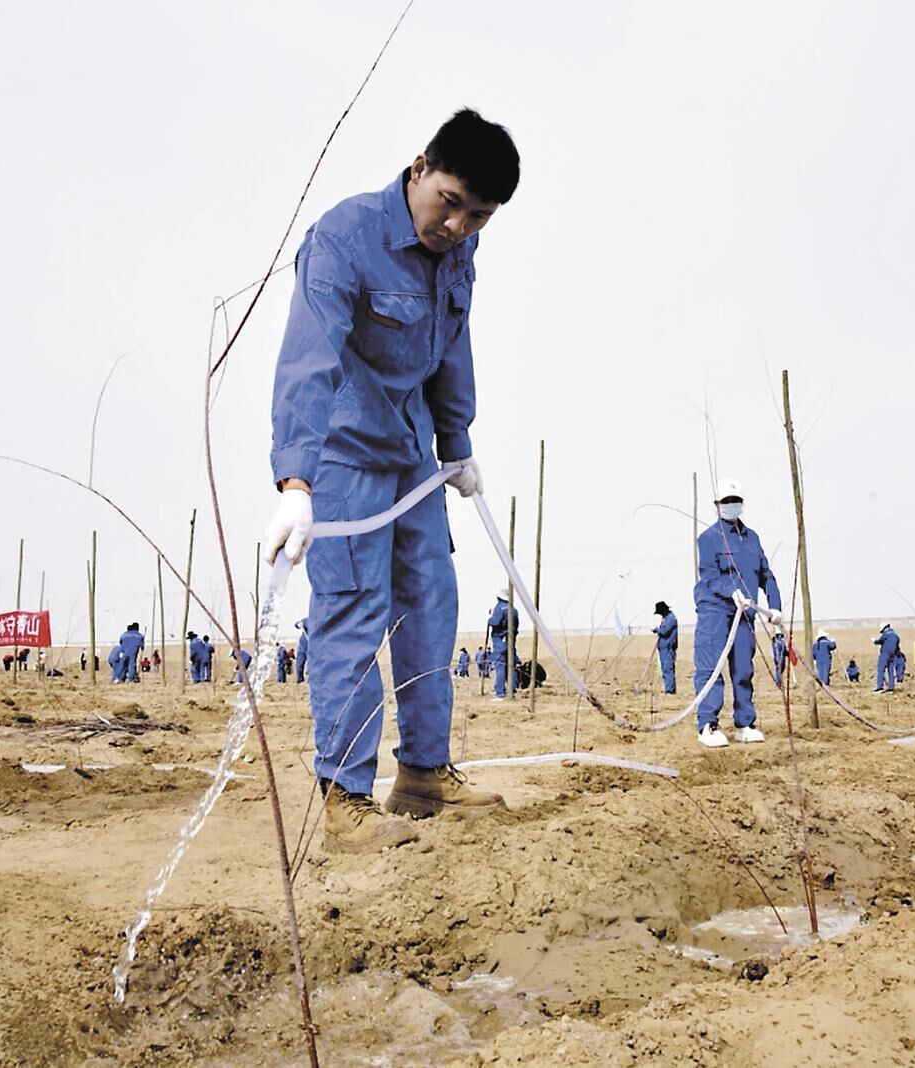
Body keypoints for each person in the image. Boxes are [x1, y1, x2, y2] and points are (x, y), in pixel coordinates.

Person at [262, 108, 518, 850]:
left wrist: (457, 442)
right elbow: (307, 361)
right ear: (418, 168)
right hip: (343, 455)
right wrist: (295, 484)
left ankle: (423, 776)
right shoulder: (345, 238)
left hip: (413, 459)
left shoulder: (458, 255)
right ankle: (344, 798)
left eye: (479, 216)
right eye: (450, 202)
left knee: (430, 608)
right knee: (352, 613)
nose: (458, 225)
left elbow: (451, 349)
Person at [692, 478, 781, 748]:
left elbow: (766, 574)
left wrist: (775, 607)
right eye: (726, 501)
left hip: (745, 615)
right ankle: (707, 725)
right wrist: (731, 590)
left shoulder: (752, 538)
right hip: (715, 612)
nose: (731, 505)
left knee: (743, 669)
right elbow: (708, 575)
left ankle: (745, 723)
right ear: (717, 505)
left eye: (735, 501)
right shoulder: (707, 539)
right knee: (711, 668)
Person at [487, 593, 520, 700]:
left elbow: (495, 622)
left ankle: (499, 693)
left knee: (500, 666)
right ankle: (512, 690)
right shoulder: (514, 609)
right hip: (510, 641)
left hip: (500, 641)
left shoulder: (499, 608)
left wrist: (489, 618)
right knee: (511, 666)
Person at [652, 600, 678, 695]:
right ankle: (668, 688)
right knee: (665, 669)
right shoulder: (666, 618)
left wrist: (656, 629)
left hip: (668, 648)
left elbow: (665, 631)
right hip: (663, 648)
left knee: (668, 668)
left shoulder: (671, 618)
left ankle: (670, 690)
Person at [873, 623, 900, 692]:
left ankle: (879, 687)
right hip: (893, 655)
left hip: (885, 654)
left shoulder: (885, 634)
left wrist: (874, 641)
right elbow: (897, 647)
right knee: (891, 671)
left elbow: (879, 641)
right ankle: (890, 688)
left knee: (881, 670)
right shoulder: (896, 635)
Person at [295, 619, 310, 684]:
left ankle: (310, 680)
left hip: (312, 647)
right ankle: (300, 679)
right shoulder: (307, 620)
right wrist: (298, 624)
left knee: (311, 665)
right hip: (302, 647)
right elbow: (297, 624)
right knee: (299, 664)